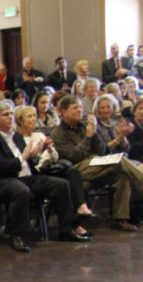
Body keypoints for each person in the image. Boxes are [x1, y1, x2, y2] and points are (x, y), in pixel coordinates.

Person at [0, 100, 90, 252]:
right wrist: (22, 158)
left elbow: (27, 163)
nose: (10, 117)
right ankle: (17, 235)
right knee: (20, 190)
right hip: (0, 181)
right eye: (5, 115)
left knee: (61, 184)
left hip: (23, 176)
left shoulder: (16, 136)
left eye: (11, 113)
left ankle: (66, 229)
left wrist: (34, 155)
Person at [51, 94, 143, 232]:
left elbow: (103, 150)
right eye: (75, 108)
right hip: (78, 168)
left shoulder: (84, 126)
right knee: (120, 161)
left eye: (81, 107)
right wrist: (88, 137)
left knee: (122, 175)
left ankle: (120, 219)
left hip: (97, 162)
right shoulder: (58, 132)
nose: (80, 110)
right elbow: (73, 156)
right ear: (63, 112)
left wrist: (94, 133)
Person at [14, 106, 94, 225]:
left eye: (34, 116)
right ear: (20, 120)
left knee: (71, 172)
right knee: (63, 184)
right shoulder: (17, 139)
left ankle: (81, 207)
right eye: (29, 116)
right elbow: (24, 163)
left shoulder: (39, 135)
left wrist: (50, 149)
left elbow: (54, 158)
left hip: (47, 168)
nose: (34, 119)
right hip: (32, 172)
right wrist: (32, 155)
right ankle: (75, 225)